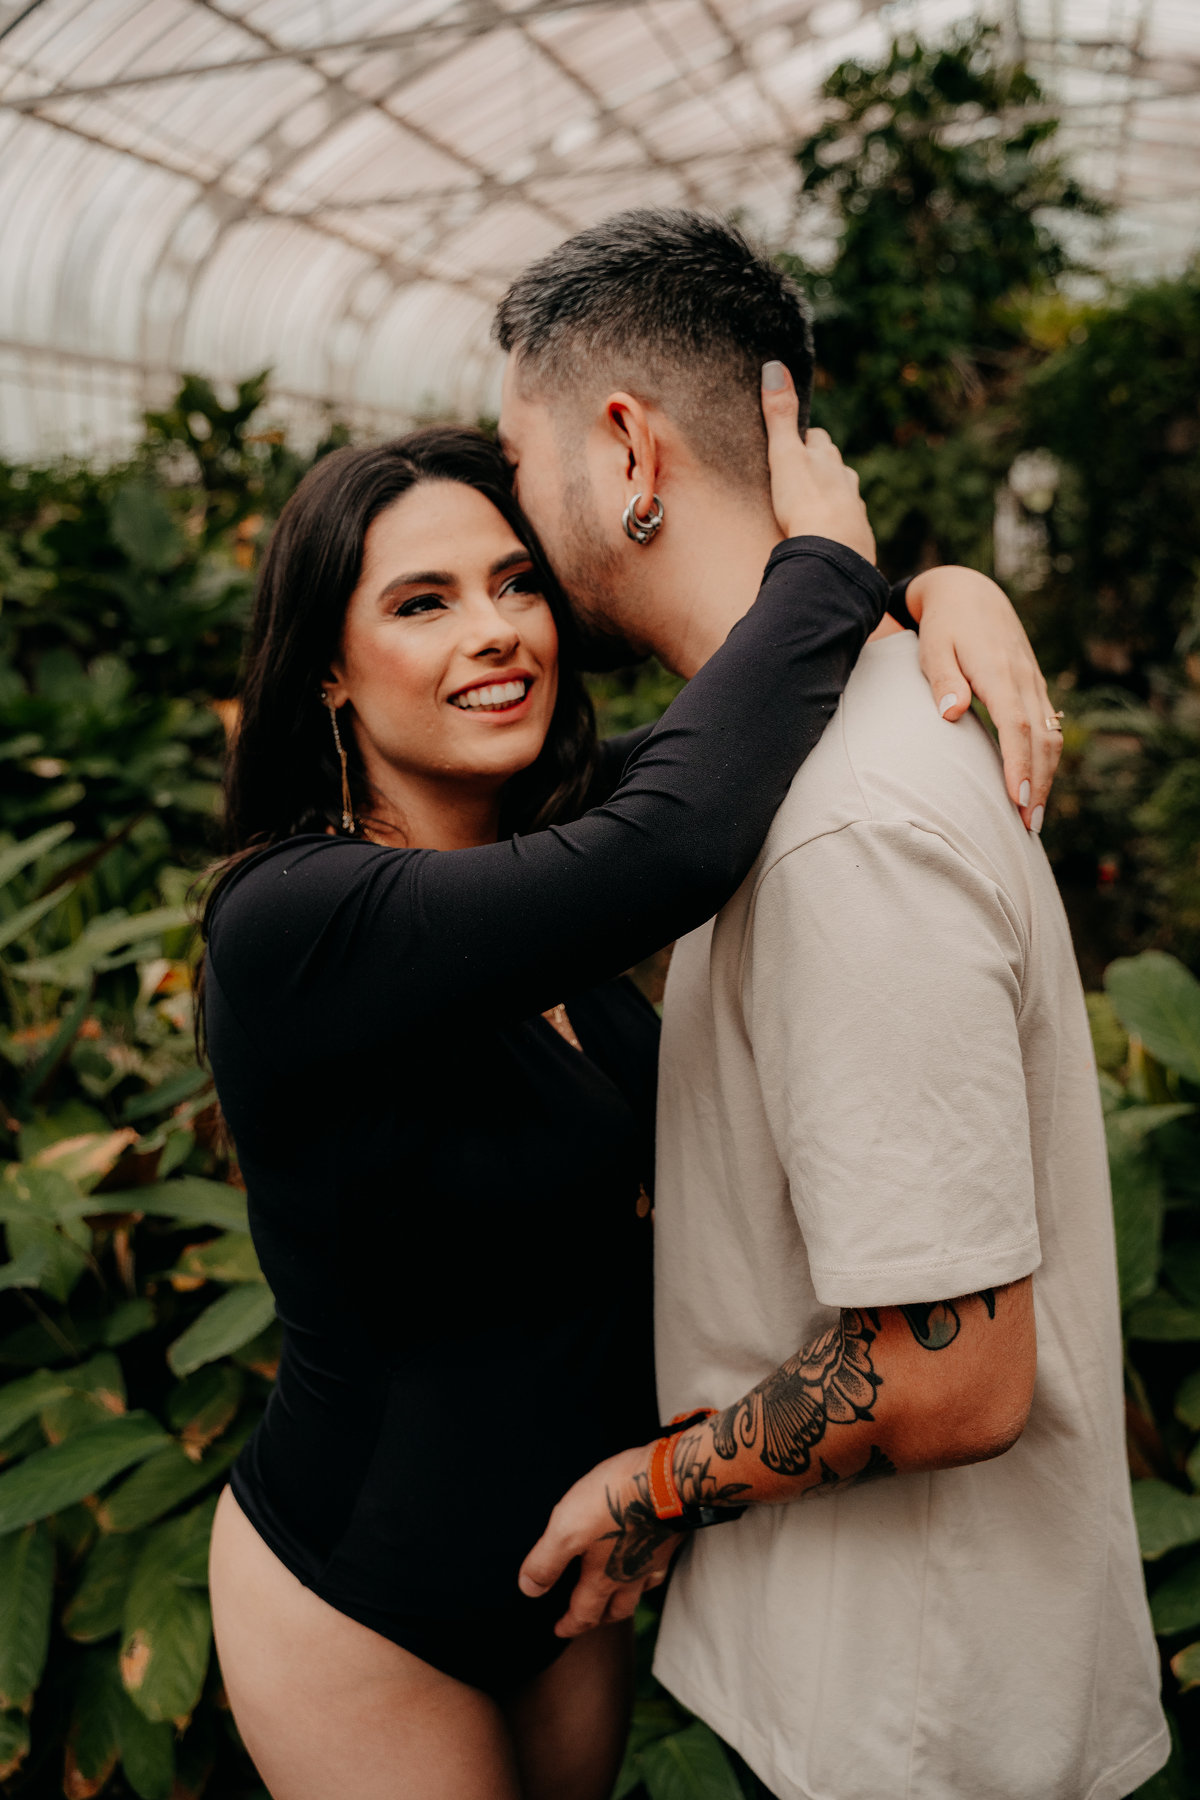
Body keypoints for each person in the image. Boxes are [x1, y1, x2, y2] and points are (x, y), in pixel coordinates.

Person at [202, 414, 1052, 1794]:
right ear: (327, 674)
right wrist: (830, 563)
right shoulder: (292, 919)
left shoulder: (544, 847)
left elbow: (746, 730)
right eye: (422, 604)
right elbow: (677, 839)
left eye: (515, 582)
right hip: (356, 1596)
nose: (496, 631)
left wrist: (937, 596)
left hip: (573, 1574)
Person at [501, 212, 1167, 1800]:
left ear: (628, 452)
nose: (518, 519)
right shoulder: (821, 739)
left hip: (916, 1730)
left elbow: (949, 1371)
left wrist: (648, 1487)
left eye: (520, 464)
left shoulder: (845, 828)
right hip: (878, 1685)